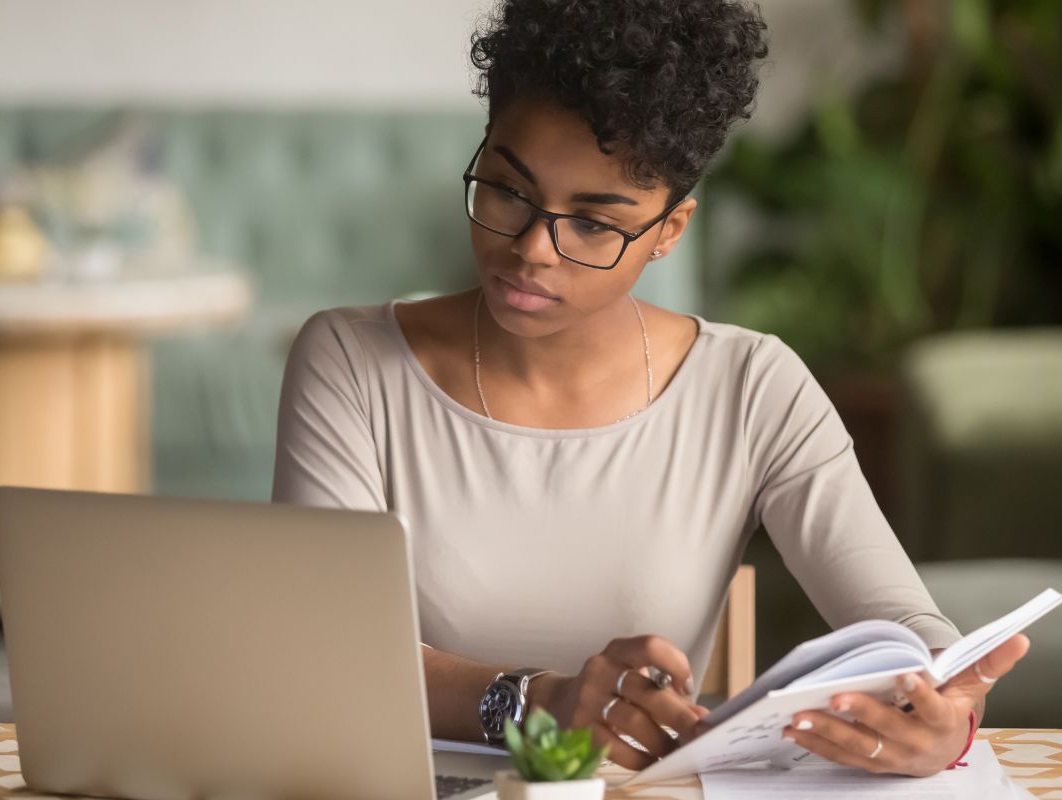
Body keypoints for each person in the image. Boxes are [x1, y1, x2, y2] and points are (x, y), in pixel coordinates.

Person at [271, 0, 1029, 777]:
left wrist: (946, 713)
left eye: (595, 224)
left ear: (669, 231)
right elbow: (322, 645)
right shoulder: (352, 361)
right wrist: (537, 703)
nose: (533, 248)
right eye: (507, 191)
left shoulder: (750, 386)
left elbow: (904, 627)